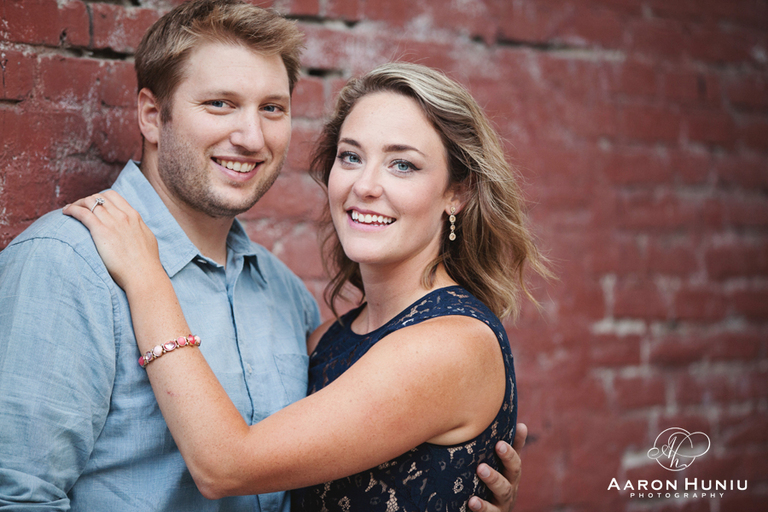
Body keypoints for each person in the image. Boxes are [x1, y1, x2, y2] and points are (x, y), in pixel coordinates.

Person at [0, 1, 522, 511]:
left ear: (458, 191)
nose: (250, 137)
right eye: (220, 104)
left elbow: (239, 466)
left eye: (271, 108)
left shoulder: (284, 297)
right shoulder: (68, 265)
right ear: (152, 116)